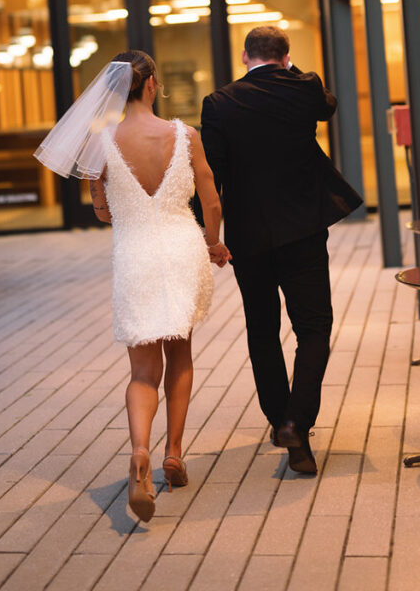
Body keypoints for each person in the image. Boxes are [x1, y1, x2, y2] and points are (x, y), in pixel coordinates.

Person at [35, 50, 230, 523]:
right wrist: (214, 245)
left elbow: (102, 210)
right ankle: (174, 454)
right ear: (151, 85)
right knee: (180, 354)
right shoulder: (184, 135)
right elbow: (211, 199)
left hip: (135, 256)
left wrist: (109, 199)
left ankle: (140, 450)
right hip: (182, 248)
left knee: (143, 372)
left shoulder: (101, 143)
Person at [198, 26, 362, 475]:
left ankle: (280, 421)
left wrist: (207, 234)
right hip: (303, 231)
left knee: (262, 330)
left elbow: (212, 174)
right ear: (285, 57)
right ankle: (296, 424)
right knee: (313, 328)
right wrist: (294, 71)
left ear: (244, 55)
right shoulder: (303, 87)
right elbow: (326, 105)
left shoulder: (219, 103)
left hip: (249, 238)